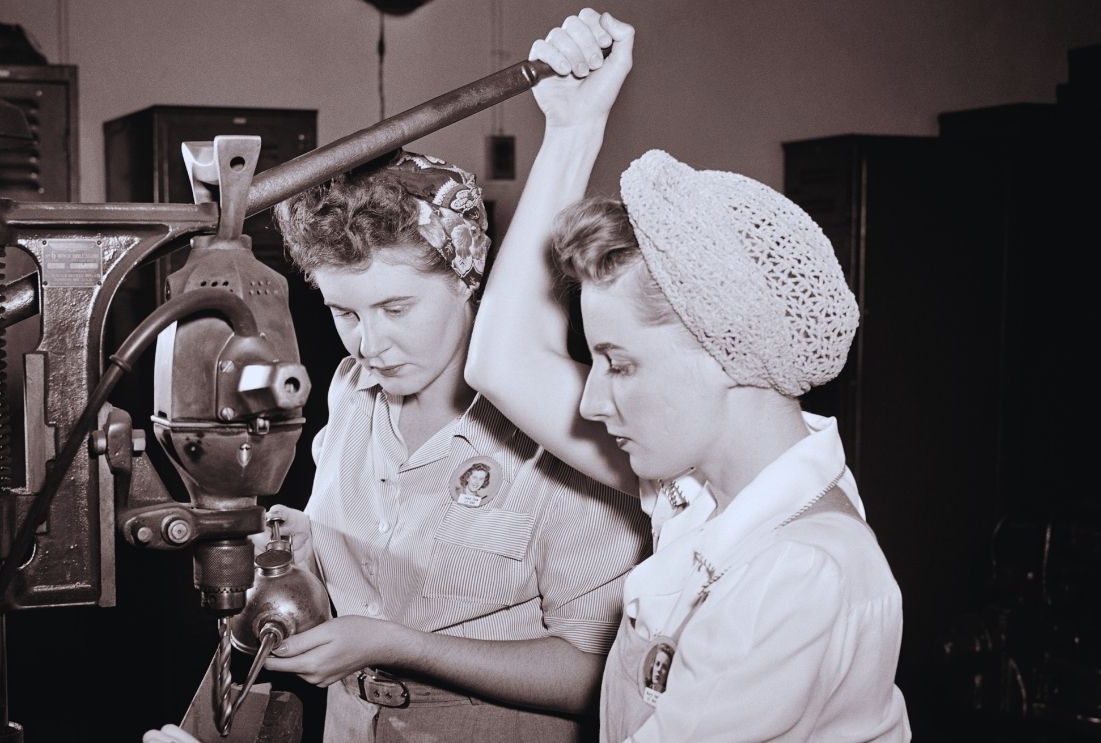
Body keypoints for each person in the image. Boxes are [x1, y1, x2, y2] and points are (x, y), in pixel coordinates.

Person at [190, 13, 642, 743]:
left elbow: (595, 673)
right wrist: (301, 536)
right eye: (344, 311)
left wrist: (398, 644)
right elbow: (370, 552)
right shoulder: (348, 390)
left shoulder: (565, 432)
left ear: (467, 278)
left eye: (396, 306)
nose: (371, 342)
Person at [465, 9, 912, 742]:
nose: (589, 395)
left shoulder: (796, 574)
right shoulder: (701, 494)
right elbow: (501, 363)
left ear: (727, 349)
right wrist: (574, 129)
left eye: (619, 362)